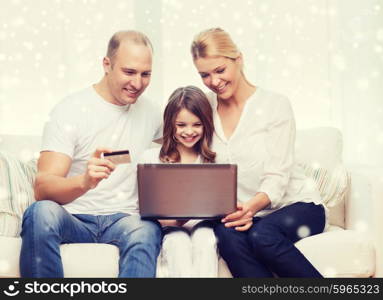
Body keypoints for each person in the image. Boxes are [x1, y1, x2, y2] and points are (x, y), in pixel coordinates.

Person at [19, 30, 163, 278]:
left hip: (125, 219)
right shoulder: (70, 110)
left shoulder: (151, 113)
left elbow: (184, 148)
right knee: (39, 212)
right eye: (129, 72)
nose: (137, 83)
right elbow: (43, 189)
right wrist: (85, 181)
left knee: (147, 229)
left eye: (145, 74)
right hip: (75, 217)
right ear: (107, 64)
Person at [190, 28, 326, 277]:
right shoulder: (203, 109)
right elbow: (177, 137)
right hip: (244, 213)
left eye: (220, 70)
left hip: (297, 206)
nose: (214, 81)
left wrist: (250, 208)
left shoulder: (275, 105)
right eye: (204, 75)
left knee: (261, 235)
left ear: (238, 59)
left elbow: (278, 175)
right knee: (226, 235)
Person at [139, 86, 218, 277]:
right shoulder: (151, 158)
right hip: (169, 228)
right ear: (170, 125)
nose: (189, 132)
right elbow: (145, 208)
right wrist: (176, 219)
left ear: (206, 124)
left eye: (196, 125)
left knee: (206, 239)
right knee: (177, 243)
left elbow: (221, 206)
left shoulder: (215, 160)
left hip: (205, 225)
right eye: (181, 125)